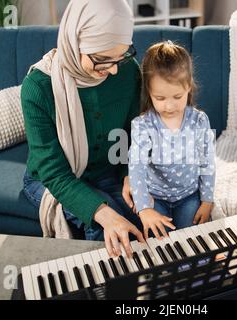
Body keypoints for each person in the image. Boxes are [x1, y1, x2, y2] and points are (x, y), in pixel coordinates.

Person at [20, 0, 144, 258]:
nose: (112, 70)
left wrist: (128, 174)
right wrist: (103, 213)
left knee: (143, 222)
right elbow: (54, 174)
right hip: (50, 180)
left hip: (108, 172)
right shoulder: (38, 87)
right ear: (74, 42)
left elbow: (129, 136)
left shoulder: (128, 71)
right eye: (102, 60)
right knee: (107, 229)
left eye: (121, 56)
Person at [128, 41, 216, 240]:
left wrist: (207, 200)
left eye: (177, 96)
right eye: (160, 98)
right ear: (149, 92)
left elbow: (207, 161)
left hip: (189, 196)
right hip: (155, 197)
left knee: (193, 240)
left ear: (188, 87)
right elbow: (137, 166)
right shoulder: (143, 125)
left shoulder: (199, 120)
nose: (169, 106)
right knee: (161, 244)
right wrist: (144, 209)